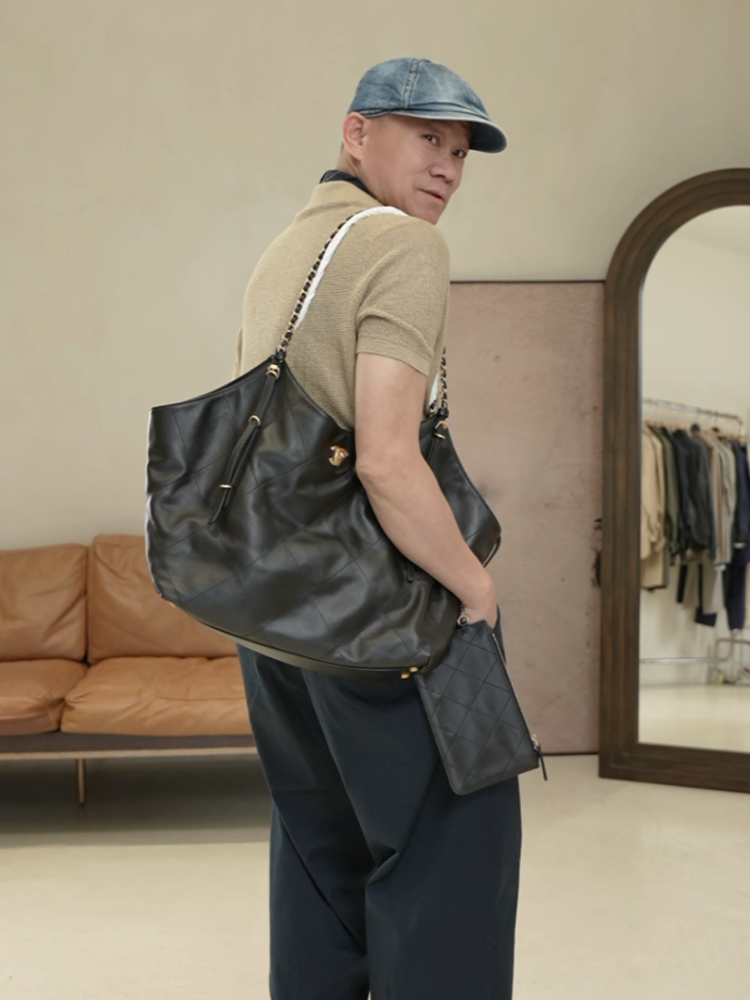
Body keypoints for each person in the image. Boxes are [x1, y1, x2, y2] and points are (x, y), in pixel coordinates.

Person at [233, 57, 521, 1000]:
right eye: (427, 137)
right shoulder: (403, 245)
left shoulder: (288, 248)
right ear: (356, 132)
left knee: (319, 856)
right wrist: (475, 588)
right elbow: (387, 459)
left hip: (274, 612)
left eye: (461, 151)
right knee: (453, 854)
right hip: (381, 613)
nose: (447, 167)